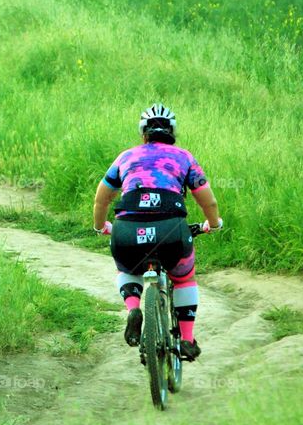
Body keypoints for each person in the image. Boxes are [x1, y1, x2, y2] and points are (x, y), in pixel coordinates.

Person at [92, 103, 222, 361]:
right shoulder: (184, 158)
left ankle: (133, 308)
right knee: (184, 278)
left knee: (128, 269)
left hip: (127, 231)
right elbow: (209, 202)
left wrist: (100, 227)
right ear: (172, 132)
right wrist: (214, 224)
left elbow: (102, 199)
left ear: (144, 133)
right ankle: (186, 340)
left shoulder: (125, 157)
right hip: (170, 229)